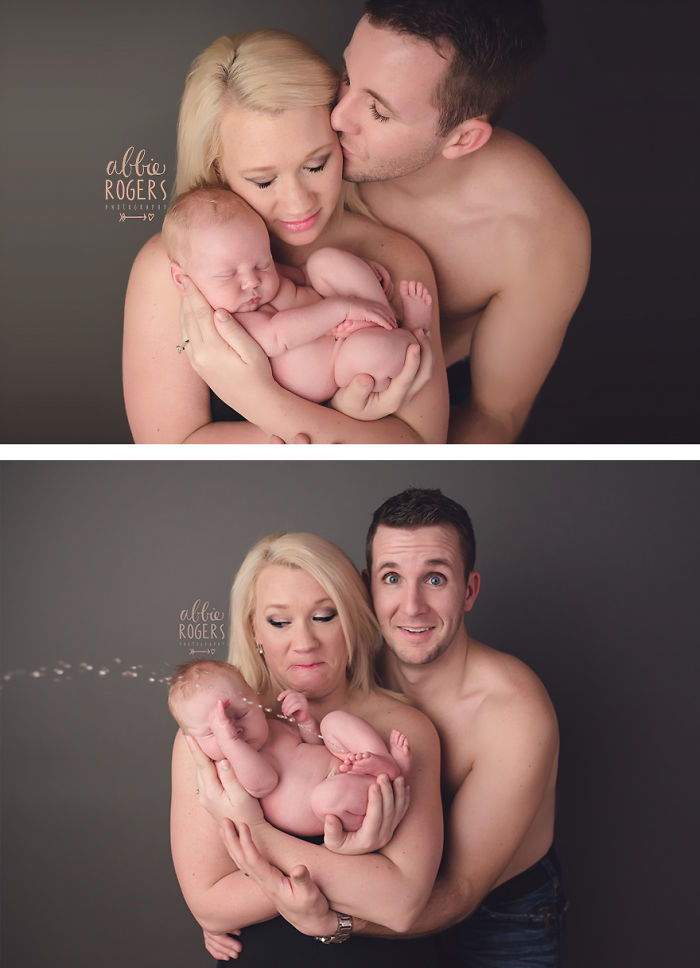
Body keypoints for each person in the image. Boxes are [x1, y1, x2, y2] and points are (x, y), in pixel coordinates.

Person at [221, 489, 566, 966]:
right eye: (391, 578)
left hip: (495, 915)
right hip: (383, 884)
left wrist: (331, 921)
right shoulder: (342, 668)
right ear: (366, 588)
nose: (412, 607)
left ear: (469, 590)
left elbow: (458, 890)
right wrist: (217, 904)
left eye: (436, 579)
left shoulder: (514, 712)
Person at [123, 30, 448, 444]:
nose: (297, 204)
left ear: (340, 139)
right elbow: (169, 446)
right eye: (263, 180)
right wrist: (308, 413)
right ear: (219, 170)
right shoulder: (172, 272)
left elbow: (420, 445)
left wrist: (270, 404)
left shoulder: (393, 256)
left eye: (316, 165)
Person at [170, 532, 443, 965]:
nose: (304, 643)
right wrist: (352, 873)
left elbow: (402, 905)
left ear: (352, 618)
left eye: (324, 616)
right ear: (253, 629)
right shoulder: (212, 732)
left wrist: (256, 836)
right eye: (280, 622)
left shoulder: (405, 729)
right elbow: (209, 902)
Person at [331, 1, 591, 442]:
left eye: (378, 112)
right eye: (347, 77)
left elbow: (496, 414)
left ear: (464, 138)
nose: (337, 117)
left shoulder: (536, 238)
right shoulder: (308, 113)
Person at [162, 186, 431, 405]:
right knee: (376, 353)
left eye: (262, 263)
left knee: (323, 261)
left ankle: (382, 311)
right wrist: (343, 309)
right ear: (181, 278)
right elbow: (279, 335)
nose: (252, 281)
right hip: (338, 363)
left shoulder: (265, 279)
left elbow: (303, 278)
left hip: (345, 318)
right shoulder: (226, 320)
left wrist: (356, 274)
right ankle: (414, 330)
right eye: (228, 275)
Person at [168, 658, 411, 835]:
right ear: (195, 743)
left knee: (333, 721)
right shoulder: (229, 771)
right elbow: (264, 783)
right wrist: (229, 742)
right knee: (326, 798)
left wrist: (305, 721)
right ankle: (388, 778)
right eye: (214, 731)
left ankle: (382, 761)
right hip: (334, 802)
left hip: (348, 765)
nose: (233, 729)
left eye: (241, 714)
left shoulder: (274, 728)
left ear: (255, 700)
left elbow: (313, 744)